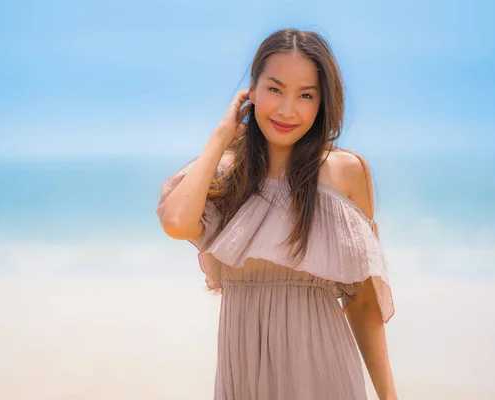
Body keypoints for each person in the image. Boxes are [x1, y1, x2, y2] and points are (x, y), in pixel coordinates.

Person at [156, 28, 397, 400]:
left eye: (305, 96)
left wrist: (389, 397)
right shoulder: (226, 173)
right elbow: (176, 222)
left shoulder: (346, 172)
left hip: (324, 375)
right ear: (251, 90)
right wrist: (221, 137)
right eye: (275, 89)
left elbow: (363, 303)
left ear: (322, 103)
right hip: (244, 378)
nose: (287, 109)